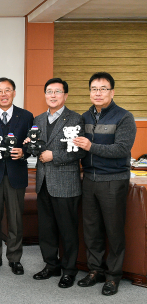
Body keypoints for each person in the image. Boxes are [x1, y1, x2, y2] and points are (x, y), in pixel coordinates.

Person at [73, 72, 136, 296]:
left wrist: (90, 147)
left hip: (113, 180)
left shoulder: (124, 117)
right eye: (94, 89)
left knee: (114, 230)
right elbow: (79, 146)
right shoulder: (85, 116)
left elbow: (121, 149)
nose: (98, 93)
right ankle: (95, 270)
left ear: (112, 92)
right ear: (89, 92)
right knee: (91, 229)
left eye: (103, 89)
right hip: (89, 179)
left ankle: (113, 276)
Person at [25, 78, 85, 288]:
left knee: (68, 230)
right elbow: (35, 145)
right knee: (47, 229)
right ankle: (51, 265)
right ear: (45, 95)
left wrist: (54, 156)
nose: (52, 95)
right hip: (43, 182)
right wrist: (28, 145)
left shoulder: (76, 119)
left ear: (65, 96)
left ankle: (69, 270)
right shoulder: (38, 119)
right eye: (49, 91)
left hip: (66, 183)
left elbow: (80, 150)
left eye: (57, 92)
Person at [0, 77, 33, 275]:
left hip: (16, 174)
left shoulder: (26, 116)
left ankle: (15, 258)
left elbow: (30, 142)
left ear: (14, 93)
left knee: (16, 219)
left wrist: (24, 152)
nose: (3, 94)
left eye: (7, 90)